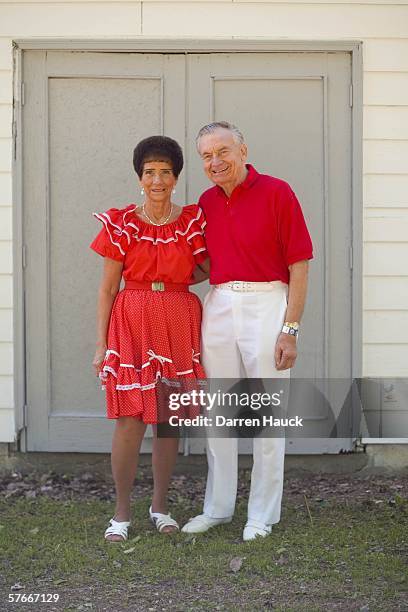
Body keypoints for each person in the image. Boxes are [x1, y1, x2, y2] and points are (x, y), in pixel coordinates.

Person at [182, 121, 313, 541]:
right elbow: (203, 264)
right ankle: (218, 508)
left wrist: (289, 328)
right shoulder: (205, 201)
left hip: (267, 302)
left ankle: (262, 514)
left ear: (242, 151)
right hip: (219, 303)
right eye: (206, 156)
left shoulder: (277, 192)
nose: (215, 162)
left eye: (223, 152)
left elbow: (299, 264)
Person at [90, 136, 207, 542]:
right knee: (129, 420)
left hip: (177, 317)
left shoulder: (191, 221)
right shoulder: (122, 223)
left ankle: (160, 506)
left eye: (165, 172)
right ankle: (121, 512)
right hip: (132, 320)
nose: (157, 180)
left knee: (168, 420)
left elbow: (210, 266)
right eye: (149, 172)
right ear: (140, 177)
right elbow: (107, 288)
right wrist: (101, 344)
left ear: (176, 177)